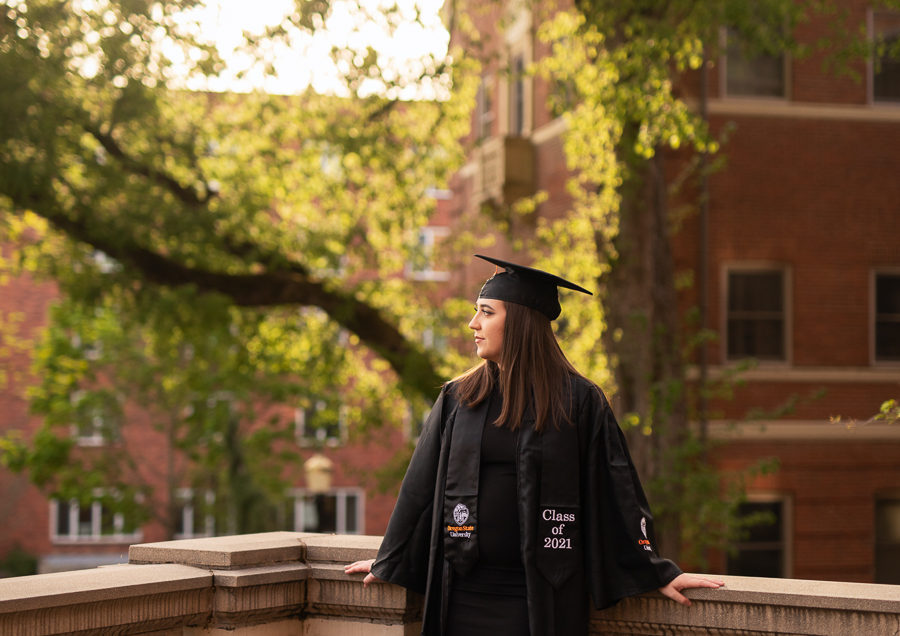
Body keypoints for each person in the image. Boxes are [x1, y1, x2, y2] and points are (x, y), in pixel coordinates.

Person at [345, 254, 723, 635]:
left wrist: (655, 570)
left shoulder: (579, 401)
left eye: (487, 313)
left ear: (521, 321)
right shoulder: (459, 398)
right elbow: (420, 489)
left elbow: (616, 490)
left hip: (541, 596)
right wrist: (389, 559)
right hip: (460, 590)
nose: (473, 324)